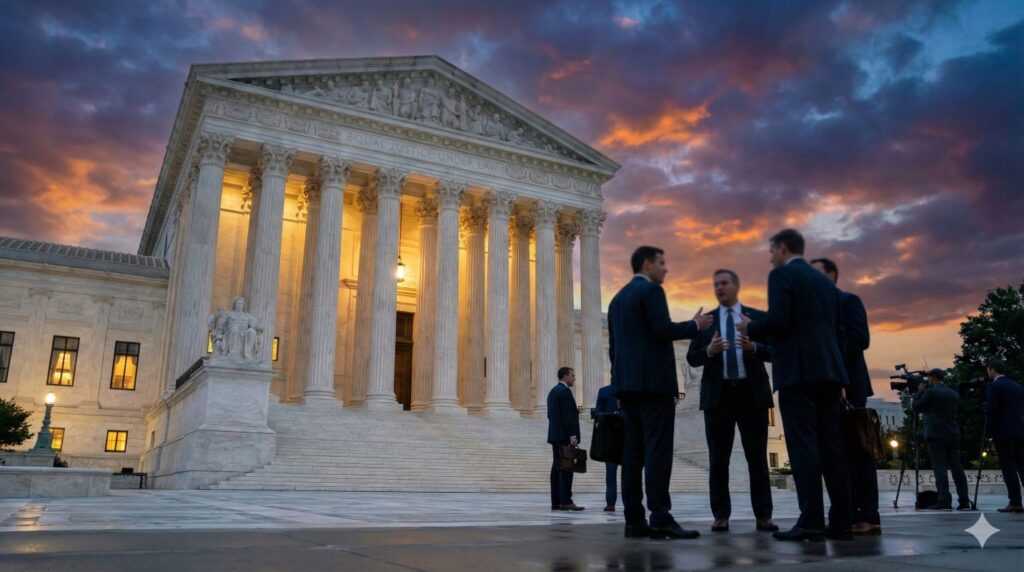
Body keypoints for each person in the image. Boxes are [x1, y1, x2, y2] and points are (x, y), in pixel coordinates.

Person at [738, 229, 852, 542]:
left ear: (783, 248)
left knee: (803, 446)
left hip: (798, 371)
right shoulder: (825, 283)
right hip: (830, 372)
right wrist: (842, 376)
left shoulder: (781, 276)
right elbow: (839, 331)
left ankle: (811, 521)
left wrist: (752, 327)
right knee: (832, 447)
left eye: (771, 250)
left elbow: (779, 321)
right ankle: (842, 521)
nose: (770, 256)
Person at [608, 245, 713, 540]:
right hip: (654, 384)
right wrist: (696, 325)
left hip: (628, 386)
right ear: (646, 264)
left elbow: (614, 349)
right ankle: (661, 516)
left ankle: (633, 519)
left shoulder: (617, 299)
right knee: (657, 451)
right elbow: (662, 329)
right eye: (662, 263)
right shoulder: (651, 291)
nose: (666, 269)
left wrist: (621, 382)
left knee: (632, 454)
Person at [686, 269, 777, 533]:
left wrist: (754, 347)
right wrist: (709, 351)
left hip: (752, 394)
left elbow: (776, 351)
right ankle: (721, 515)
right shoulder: (706, 322)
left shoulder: (757, 318)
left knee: (757, 458)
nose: (720, 288)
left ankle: (763, 515)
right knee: (718, 459)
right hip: (718, 396)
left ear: (736, 286)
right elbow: (692, 358)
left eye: (724, 283)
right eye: (716, 284)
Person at [811, 257, 881, 535]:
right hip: (825, 387)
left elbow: (859, 339)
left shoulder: (848, 300)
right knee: (834, 454)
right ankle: (843, 513)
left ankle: (868, 514)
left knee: (858, 452)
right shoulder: (815, 311)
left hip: (849, 386)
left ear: (830, 275)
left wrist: (838, 374)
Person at [912, 369, 970, 510]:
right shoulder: (953, 393)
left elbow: (916, 406)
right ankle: (964, 500)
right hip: (952, 433)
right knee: (957, 467)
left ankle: (944, 500)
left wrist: (919, 392)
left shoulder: (930, 392)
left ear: (932, 378)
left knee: (940, 468)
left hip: (935, 434)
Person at [985, 359, 1024, 513]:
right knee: (1022, 465)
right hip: (1019, 430)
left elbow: (993, 410)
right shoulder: (1017, 386)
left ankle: (1015, 501)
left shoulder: (994, 386)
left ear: (992, 370)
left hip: (1003, 431)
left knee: (1008, 466)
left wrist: (989, 432)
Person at [547, 367, 583, 511]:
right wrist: (572, 435)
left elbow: (551, 415)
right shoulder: (565, 392)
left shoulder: (553, 392)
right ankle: (566, 500)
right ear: (565, 376)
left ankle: (556, 501)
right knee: (566, 469)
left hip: (555, 435)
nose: (574, 378)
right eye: (572, 375)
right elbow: (568, 416)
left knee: (557, 467)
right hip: (564, 436)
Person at [595, 384, 621, 512]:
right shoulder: (630, 387)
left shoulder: (604, 391)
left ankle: (610, 503)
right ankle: (632, 502)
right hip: (629, 435)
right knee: (631, 471)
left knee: (610, 473)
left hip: (610, 437)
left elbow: (598, 415)